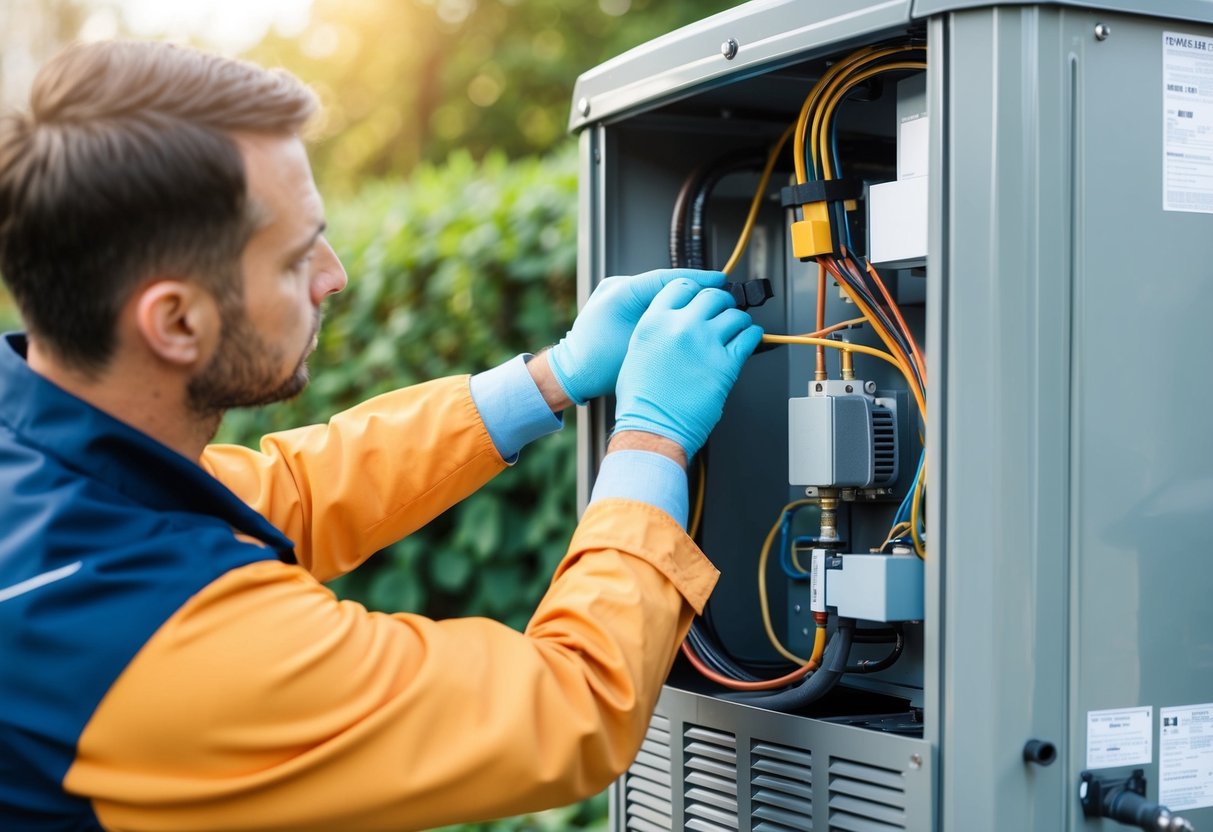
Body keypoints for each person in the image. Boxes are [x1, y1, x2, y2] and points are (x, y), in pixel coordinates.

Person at [0, 40, 763, 832]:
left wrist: (557, 374)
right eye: (297, 258)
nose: (333, 276)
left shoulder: (45, 454)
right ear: (176, 321)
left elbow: (292, 492)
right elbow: (571, 705)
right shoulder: (150, 640)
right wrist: (652, 437)